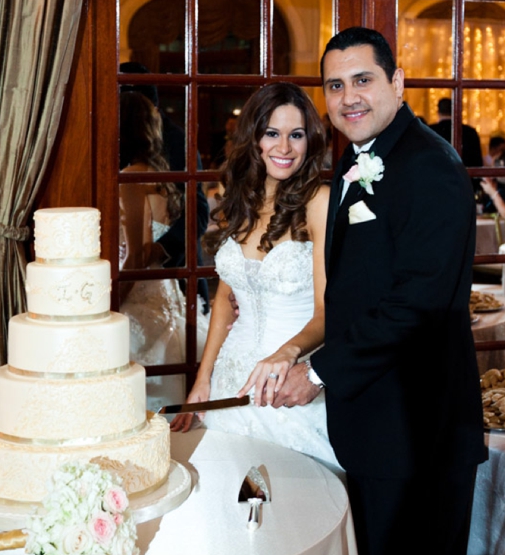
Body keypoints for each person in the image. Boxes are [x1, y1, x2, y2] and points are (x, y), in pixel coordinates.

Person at [272, 28, 486, 555]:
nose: (348, 98)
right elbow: (358, 295)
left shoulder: (429, 169)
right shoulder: (361, 162)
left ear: (398, 83)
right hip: (376, 431)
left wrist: (320, 371)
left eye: (362, 81)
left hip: (419, 432)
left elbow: (418, 305)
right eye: (335, 86)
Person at [170, 82, 340, 472]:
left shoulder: (319, 202)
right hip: (232, 379)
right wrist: (202, 381)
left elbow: (327, 312)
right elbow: (223, 302)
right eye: (272, 134)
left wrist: (286, 353)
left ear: (309, 141)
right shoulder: (240, 200)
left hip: (288, 382)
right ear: (255, 140)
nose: (284, 147)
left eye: (296, 135)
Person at [119, 91, 208, 412]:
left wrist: (110, 304)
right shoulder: (162, 176)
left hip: (139, 296)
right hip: (168, 294)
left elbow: (137, 256)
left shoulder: (131, 179)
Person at [120, 61, 210, 313]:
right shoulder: (108, 135)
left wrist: (158, 251)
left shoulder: (177, 140)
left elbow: (198, 212)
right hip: (128, 272)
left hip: (177, 275)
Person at [429, 96, 484, 169]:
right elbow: (477, 164)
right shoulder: (470, 132)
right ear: (456, 111)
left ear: (438, 112)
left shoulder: (429, 131)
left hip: (435, 177)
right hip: (463, 178)